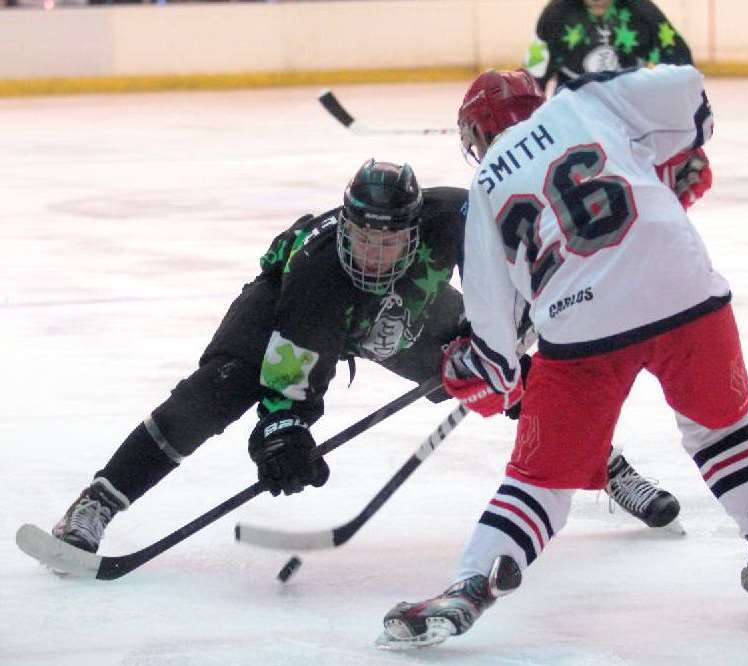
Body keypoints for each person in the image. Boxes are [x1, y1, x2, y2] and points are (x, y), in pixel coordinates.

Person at [51, 159, 678, 556]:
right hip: (284, 302)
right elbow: (288, 380)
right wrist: (283, 436)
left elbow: (515, 252)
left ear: (414, 230)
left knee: (511, 379)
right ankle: (99, 501)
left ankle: (609, 466)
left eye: (390, 240)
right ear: (346, 226)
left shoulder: (452, 217)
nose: (374, 254)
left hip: (405, 307)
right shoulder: (320, 276)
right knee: (218, 390)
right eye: (364, 239)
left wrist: (524, 311)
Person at [378, 66, 748, 650]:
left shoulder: (483, 193)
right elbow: (685, 86)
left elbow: (493, 338)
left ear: (478, 133)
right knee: (720, 429)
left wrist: (478, 373)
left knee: (540, 480)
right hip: (687, 289)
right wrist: (687, 144)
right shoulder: (582, 105)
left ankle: (472, 585)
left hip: (583, 330)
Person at [524, 0, 693, 91]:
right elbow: (532, 79)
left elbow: (680, 60)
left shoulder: (642, 11)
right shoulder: (556, 14)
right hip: (571, 112)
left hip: (627, 108)